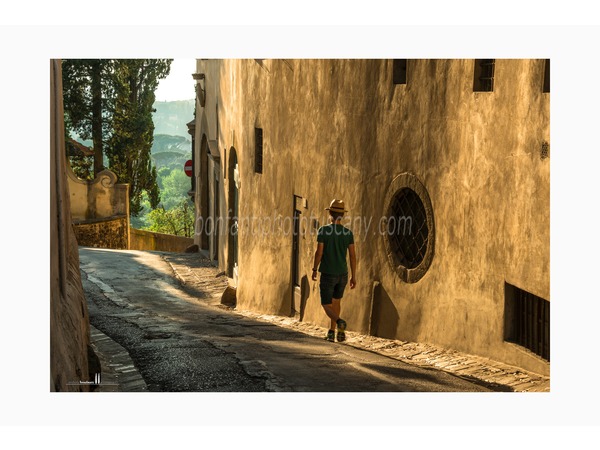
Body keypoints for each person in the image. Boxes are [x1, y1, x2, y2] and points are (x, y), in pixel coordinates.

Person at [312, 199, 357, 342]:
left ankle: (339, 322)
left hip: (328, 273)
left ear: (330, 213)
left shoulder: (323, 231)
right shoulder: (348, 233)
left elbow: (319, 253)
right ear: (342, 216)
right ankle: (333, 332)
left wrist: (314, 269)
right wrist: (353, 276)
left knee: (326, 304)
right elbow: (352, 255)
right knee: (336, 302)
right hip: (342, 274)